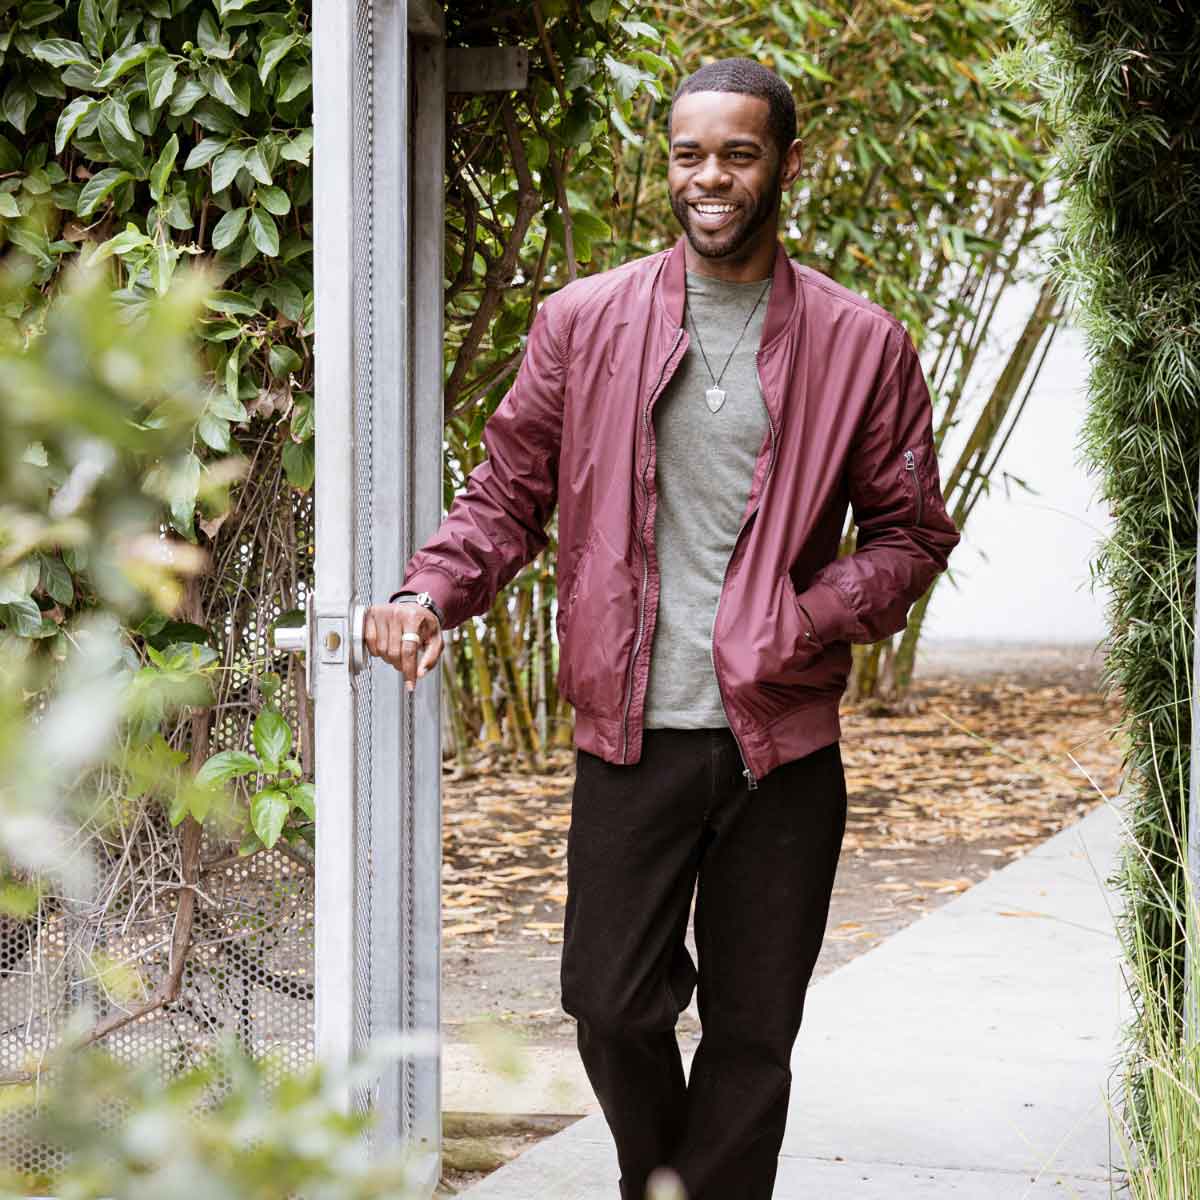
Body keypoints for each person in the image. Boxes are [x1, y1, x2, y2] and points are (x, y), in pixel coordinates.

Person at [365, 57, 961, 1200]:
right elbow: (504, 497)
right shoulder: (582, 323)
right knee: (607, 1001)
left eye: (738, 153)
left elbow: (909, 532)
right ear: (670, 164)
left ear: (787, 160)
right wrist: (425, 593)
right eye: (691, 154)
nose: (712, 178)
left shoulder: (860, 342)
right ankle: (668, 1183)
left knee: (752, 1029)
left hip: (778, 739)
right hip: (632, 731)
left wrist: (804, 619)